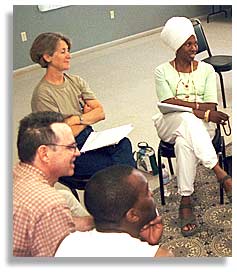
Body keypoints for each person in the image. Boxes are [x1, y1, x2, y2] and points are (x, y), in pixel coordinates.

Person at [153, 17, 232, 237]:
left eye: (195, 44)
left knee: (183, 143)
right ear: (177, 46)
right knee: (186, 121)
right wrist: (202, 111)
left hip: (200, 127)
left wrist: (188, 107)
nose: (194, 48)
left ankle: (185, 200)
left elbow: (212, 104)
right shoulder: (161, 71)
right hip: (169, 124)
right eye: (189, 44)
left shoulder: (206, 70)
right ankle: (219, 172)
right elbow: (166, 105)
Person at [30, 32, 136, 184]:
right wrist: (85, 118)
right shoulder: (42, 95)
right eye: (63, 51)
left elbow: (100, 112)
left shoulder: (76, 81)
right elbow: (60, 137)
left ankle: (128, 194)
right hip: (66, 153)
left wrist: (74, 120)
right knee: (116, 165)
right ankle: (131, 193)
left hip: (89, 140)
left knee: (123, 144)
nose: (69, 55)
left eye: (68, 51)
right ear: (47, 57)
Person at [13, 111, 94, 257]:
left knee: (65, 195)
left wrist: (94, 222)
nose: (77, 153)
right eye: (70, 147)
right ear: (44, 154)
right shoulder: (50, 204)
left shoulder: (17, 174)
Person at [55, 165, 173, 257]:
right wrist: (154, 247)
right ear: (133, 215)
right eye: (147, 192)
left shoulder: (68, 244)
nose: (152, 193)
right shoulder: (161, 258)